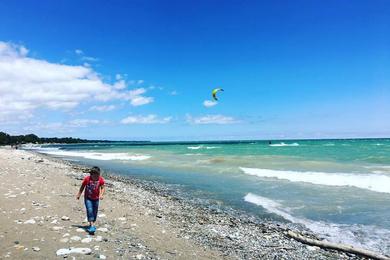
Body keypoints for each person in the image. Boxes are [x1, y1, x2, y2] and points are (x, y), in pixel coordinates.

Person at [76, 166, 105, 234]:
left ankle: (92, 222)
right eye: (94, 176)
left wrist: (101, 194)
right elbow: (82, 186)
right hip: (88, 198)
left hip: (96, 199)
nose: (96, 177)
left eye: (97, 175)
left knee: (95, 211)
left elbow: (103, 187)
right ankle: (92, 225)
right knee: (90, 210)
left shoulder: (100, 179)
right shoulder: (87, 179)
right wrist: (79, 194)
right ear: (91, 174)